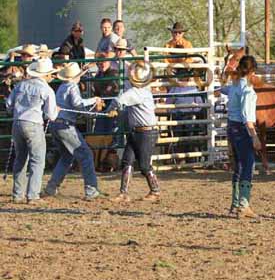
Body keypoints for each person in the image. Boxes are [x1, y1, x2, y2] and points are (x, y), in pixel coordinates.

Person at [43, 63, 103, 200]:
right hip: (65, 126)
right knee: (86, 155)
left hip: (55, 125)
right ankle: (91, 190)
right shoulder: (72, 87)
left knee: (66, 157)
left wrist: (82, 71)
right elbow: (77, 103)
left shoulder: (62, 87)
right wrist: (94, 100)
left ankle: (51, 187)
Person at [6, 58, 59, 204]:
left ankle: (17, 194)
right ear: (45, 75)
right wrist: (56, 111)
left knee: (20, 159)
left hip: (17, 123)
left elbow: (9, 105)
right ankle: (33, 195)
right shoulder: (47, 90)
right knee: (37, 160)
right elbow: (51, 115)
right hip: (34, 124)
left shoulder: (21, 85)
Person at [106, 61, 161, 202]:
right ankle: (124, 193)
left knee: (143, 165)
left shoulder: (135, 93)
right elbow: (120, 100)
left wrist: (111, 109)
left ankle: (155, 191)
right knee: (127, 161)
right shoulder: (140, 92)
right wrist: (112, 109)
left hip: (146, 133)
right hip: (137, 131)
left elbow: (119, 100)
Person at [225, 55, 262, 218]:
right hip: (242, 129)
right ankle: (243, 205)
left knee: (239, 164)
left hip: (231, 127)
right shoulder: (247, 90)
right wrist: (254, 136)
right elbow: (248, 118)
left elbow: (223, 89)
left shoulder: (234, 85)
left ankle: (235, 203)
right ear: (252, 71)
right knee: (248, 164)